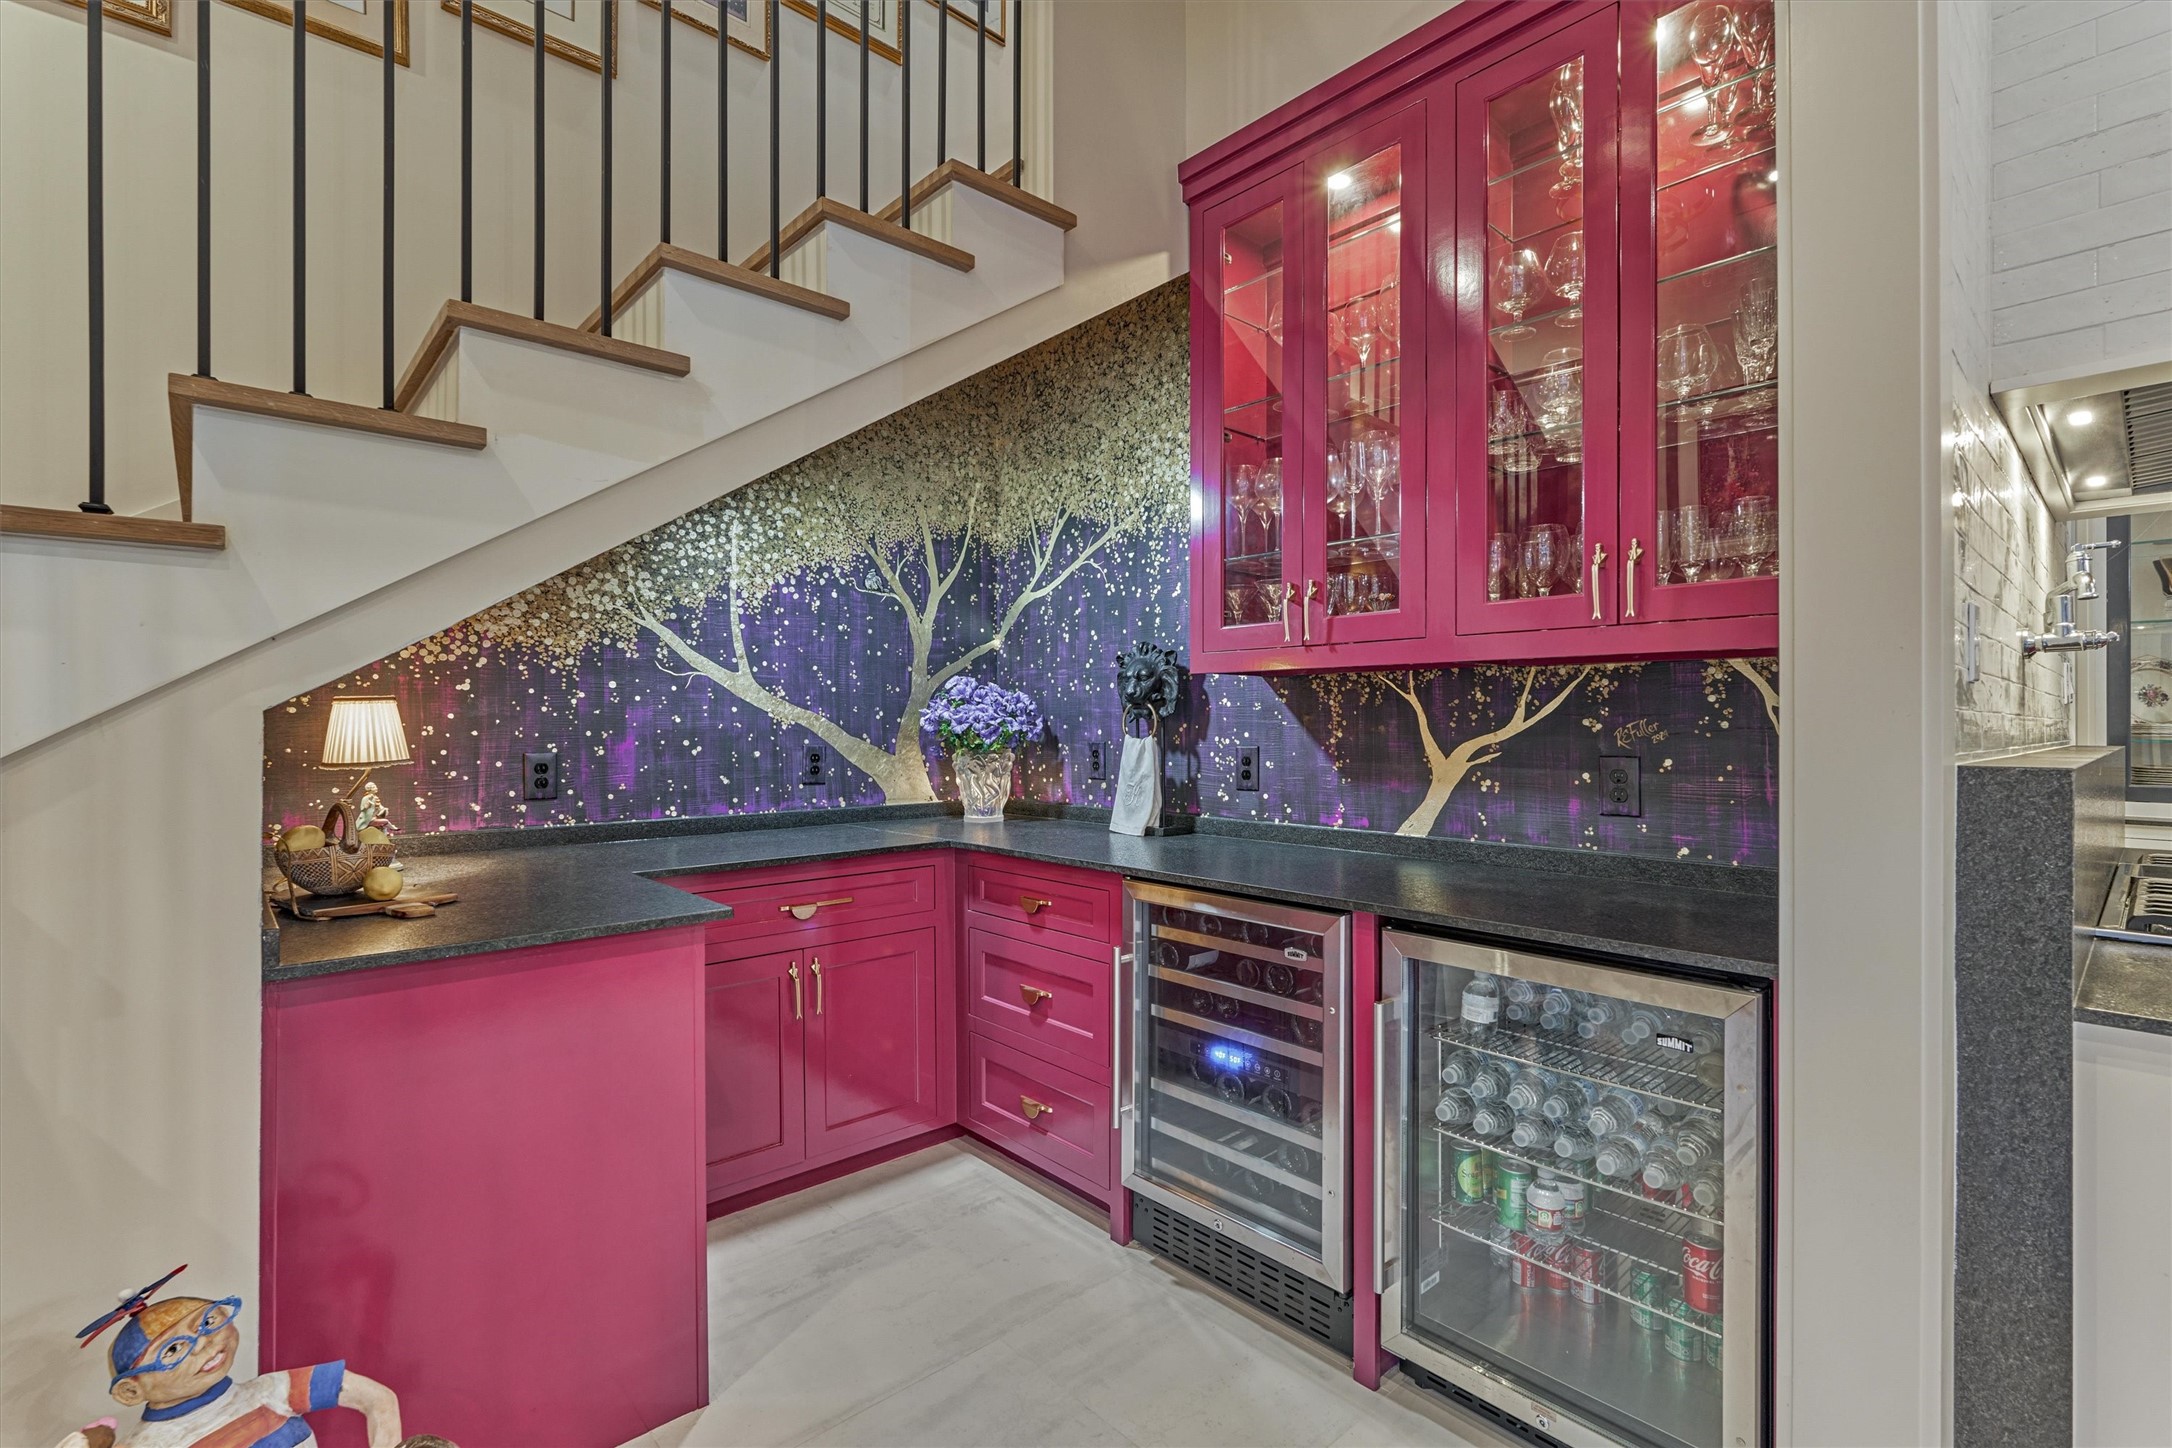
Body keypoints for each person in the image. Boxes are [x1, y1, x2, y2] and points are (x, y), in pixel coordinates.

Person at [66, 1269, 402, 1448]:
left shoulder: (271, 1391)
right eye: (172, 1350)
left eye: (209, 1322)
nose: (203, 1345)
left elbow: (378, 1398)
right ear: (130, 1391)